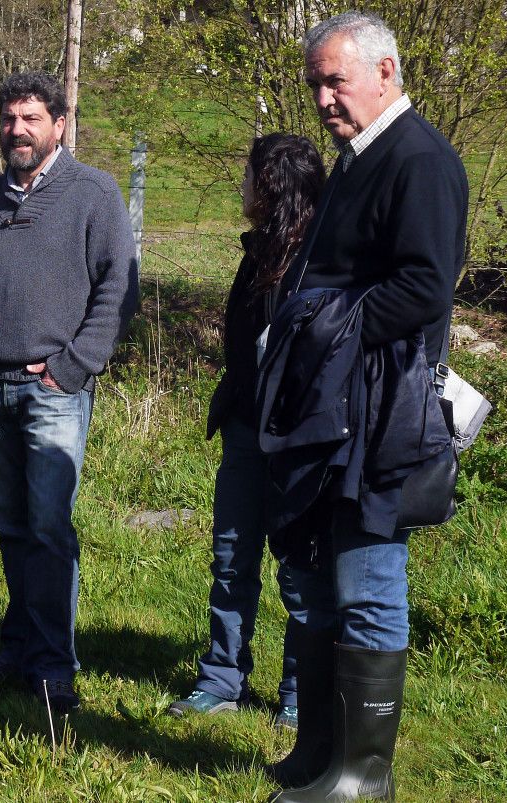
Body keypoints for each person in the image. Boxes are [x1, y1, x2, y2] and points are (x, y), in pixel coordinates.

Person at [266, 12, 468, 801]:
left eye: (334, 79)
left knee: (368, 581)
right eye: (314, 81)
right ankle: (320, 753)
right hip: (333, 406)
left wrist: (328, 328)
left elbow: (423, 287)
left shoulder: (420, 160)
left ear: (385, 73)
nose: (321, 97)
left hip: (381, 410)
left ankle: (363, 774)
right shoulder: (358, 159)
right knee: (318, 577)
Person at [0, 72, 139, 712]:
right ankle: (21, 645)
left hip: (51, 388)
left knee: (50, 527)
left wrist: (75, 365)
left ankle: (55, 667)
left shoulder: (93, 193)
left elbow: (117, 290)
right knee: (10, 525)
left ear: (59, 124)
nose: (18, 130)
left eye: (31, 118)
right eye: (9, 118)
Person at [168, 135, 323, 728]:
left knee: (300, 567)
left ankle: (298, 691)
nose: (242, 186)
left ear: (274, 183)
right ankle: (221, 678)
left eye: (249, 175)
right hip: (244, 428)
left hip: (299, 437)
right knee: (232, 557)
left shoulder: (321, 255)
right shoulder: (257, 253)